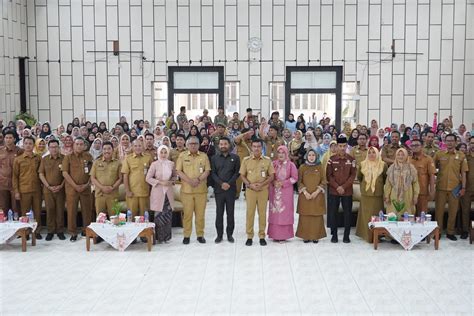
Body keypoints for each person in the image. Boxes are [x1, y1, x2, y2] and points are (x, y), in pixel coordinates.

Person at [176, 136, 211, 244]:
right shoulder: (182, 156)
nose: (193, 145)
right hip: (187, 191)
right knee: (187, 215)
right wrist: (190, 181)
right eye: (191, 144)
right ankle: (187, 235)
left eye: (195, 143)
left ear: (199, 145)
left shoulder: (204, 156)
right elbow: (179, 171)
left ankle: (200, 235)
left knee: (200, 215)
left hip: (201, 191)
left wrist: (198, 179)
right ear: (187, 145)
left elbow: (207, 171)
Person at [239, 139, 275, 246]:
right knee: (250, 214)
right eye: (254, 146)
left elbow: (271, 176)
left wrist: (262, 184)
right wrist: (249, 185)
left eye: (258, 146)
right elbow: (242, 175)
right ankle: (249, 236)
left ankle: (262, 236)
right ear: (251, 147)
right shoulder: (246, 160)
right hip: (250, 190)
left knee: (262, 213)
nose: (256, 148)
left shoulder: (267, 160)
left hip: (263, 190)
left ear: (262, 147)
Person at [433, 134, 468, 240]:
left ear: (456, 142)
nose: (449, 143)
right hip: (441, 187)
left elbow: (464, 173)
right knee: (439, 211)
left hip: (455, 188)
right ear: (444, 141)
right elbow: (432, 169)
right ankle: (437, 231)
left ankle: (450, 232)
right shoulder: (439, 154)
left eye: (452, 141)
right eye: (447, 141)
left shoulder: (461, 155)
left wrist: (463, 188)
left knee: (453, 211)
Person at [62, 137, 94, 241]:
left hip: (85, 188)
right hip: (72, 189)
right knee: (72, 211)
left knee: (87, 210)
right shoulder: (68, 157)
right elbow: (65, 173)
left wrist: (87, 184)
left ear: (84, 146)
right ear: (73, 145)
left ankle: (86, 230)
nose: (79, 146)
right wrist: (75, 186)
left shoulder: (88, 156)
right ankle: (73, 232)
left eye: (81, 144)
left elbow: (92, 172)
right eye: (77, 144)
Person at [326, 137, 356, 243]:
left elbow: (352, 176)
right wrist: (337, 187)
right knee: (333, 213)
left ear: (347, 146)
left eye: (344, 146)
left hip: (347, 191)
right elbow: (329, 176)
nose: (342, 148)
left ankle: (346, 236)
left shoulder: (351, 160)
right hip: (334, 191)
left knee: (347, 213)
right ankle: (334, 235)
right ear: (337, 146)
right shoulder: (331, 159)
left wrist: (343, 187)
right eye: (340, 146)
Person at [211, 137, 240, 243]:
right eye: (221, 144)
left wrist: (228, 183)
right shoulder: (214, 158)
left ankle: (229, 235)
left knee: (230, 213)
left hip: (231, 189)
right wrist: (221, 183)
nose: (223, 146)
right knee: (219, 213)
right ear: (219, 145)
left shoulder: (235, 157)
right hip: (219, 190)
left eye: (225, 144)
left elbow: (237, 173)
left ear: (229, 145)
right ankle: (219, 235)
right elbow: (213, 173)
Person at [12, 136, 43, 239]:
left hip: (37, 189)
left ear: (33, 145)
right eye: (26, 143)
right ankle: (26, 231)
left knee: (37, 211)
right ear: (23, 145)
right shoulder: (18, 159)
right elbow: (15, 177)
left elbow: (41, 173)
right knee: (24, 212)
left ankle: (36, 231)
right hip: (24, 189)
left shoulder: (38, 158)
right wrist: (16, 191)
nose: (28, 145)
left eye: (30, 143)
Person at [355, 147, 387, 243]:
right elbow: (360, 178)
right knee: (366, 216)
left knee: (377, 216)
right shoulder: (362, 164)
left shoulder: (383, 165)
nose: (372, 154)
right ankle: (366, 235)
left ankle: (377, 235)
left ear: (377, 154)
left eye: (374, 152)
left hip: (377, 195)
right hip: (366, 195)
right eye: (370, 152)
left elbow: (385, 179)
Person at [146, 145, 176, 243]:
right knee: (158, 215)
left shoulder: (171, 164)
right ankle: (159, 237)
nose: (163, 154)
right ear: (158, 153)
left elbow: (175, 177)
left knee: (167, 215)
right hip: (158, 191)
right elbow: (148, 178)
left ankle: (166, 237)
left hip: (168, 192)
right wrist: (160, 182)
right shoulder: (154, 164)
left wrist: (171, 182)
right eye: (161, 152)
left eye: (165, 152)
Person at [296, 149, 327, 243]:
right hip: (305, 196)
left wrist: (316, 192)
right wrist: (305, 192)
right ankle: (305, 236)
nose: (311, 157)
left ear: (316, 156)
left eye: (313, 155)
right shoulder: (302, 167)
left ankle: (315, 236)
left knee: (316, 216)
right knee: (305, 216)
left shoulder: (320, 167)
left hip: (317, 195)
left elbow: (324, 181)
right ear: (306, 156)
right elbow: (299, 181)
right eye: (309, 155)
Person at [268, 146, 298, 242]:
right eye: (279, 152)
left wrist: (283, 183)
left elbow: (294, 178)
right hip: (274, 191)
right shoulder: (273, 164)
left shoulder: (291, 165)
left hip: (286, 193)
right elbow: (270, 176)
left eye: (283, 152)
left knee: (285, 213)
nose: (281, 154)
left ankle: (284, 235)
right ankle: (274, 234)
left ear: (286, 154)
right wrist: (274, 182)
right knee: (275, 213)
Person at [38, 139, 66, 241]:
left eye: (56, 147)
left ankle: (60, 231)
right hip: (48, 189)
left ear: (59, 148)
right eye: (52, 147)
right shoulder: (44, 159)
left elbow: (67, 174)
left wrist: (61, 185)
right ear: (48, 148)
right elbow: (41, 174)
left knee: (60, 210)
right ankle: (50, 231)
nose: (54, 149)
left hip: (61, 189)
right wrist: (48, 186)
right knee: (50, 210)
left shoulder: (64, 158)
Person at [384, 148, 419, 220]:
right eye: (398, 155)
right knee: (393, 213)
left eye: (403, 155)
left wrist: (415, 196)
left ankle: (406, 231)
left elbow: (415, 183)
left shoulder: (411, 168)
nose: (400, 157)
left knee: (407, 213)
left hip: (408, 194)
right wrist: (387, 196)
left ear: (406, 156)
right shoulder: (391, 168)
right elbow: (388, 184)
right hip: (394, 194)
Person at [121, 140, 153, 217]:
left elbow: (152, 174)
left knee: (144, 216)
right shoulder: (128, 158)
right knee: (131, 216)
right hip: (132, 192)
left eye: (139, 146)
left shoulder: (148, 157)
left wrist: (151, 191)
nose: (138, 148)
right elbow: (125, 176)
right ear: (132, 147)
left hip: (144, 192)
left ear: (143, 147)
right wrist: (127, 191)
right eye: (135, 146)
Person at [90, 141, 122, 216]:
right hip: (100, 194)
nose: (106, 151)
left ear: (113, 150)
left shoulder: (118, 163)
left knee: (114, 218)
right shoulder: (96, 162)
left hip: (113, 194)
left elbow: (120, 178)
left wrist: (112, 187)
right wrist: (102, 188)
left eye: (109, 149)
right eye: (104, 149)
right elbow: (93, 177)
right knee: (100, 218)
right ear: (102, 150)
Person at [408, 139, 436, 215]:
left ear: (422, 146)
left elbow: (432, 175)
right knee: (410, 215)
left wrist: (432, 190)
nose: (414, 147)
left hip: (422, 192)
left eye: (417, 145)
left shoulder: (428, 159)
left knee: (422, 215)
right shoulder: (408, 159)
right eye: (412, 145)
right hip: (410, 192)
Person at [0, 130, 23, 212]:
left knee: (16, 208)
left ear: (14, 139)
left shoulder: (20, 151)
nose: (8, 140)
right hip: (2, 183)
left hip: (15, 184)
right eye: (6, 138)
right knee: (3, 207)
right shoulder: (1, 150)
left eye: (10, 138)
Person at [460, 136, 474, 239]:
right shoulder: (465, 157)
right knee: (465, 210)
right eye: (472, 143)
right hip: (467, 188)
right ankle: (465, 230)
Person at [234, 128, 254, 199]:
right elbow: (236, 138)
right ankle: (236, 194)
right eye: (249, 133)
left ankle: (247, 194)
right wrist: (245, 133)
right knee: (238, 180)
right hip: (240, 163)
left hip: (249, 164)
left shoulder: (251, 142)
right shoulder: (240, 141)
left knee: (249, 179)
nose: (251, 135)